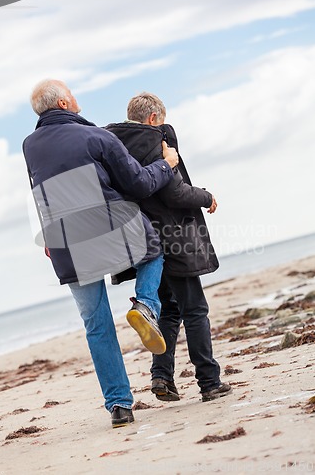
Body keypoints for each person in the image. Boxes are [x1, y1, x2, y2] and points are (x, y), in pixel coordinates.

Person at [22, 80, 179, 428]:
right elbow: (138, 183)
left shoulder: (29, 145)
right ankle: (146, 307)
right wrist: (166, 164)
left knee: (96, 323)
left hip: (65, 243)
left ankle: (119, 405)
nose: (77, 99)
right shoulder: (97, 137)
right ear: (64, 102)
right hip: (109, 228)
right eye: (73, 94)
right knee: (153, 249)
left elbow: (39, 188)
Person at [106, 92, 231, 403]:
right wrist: (206, 196)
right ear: (152, 119)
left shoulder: (113, 146)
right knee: (195, 309)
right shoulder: (155, 141)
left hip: (142, 243)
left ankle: (162, 378)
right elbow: (174, 194)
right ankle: (209, 381)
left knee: (168, 309)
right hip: (172, 236)